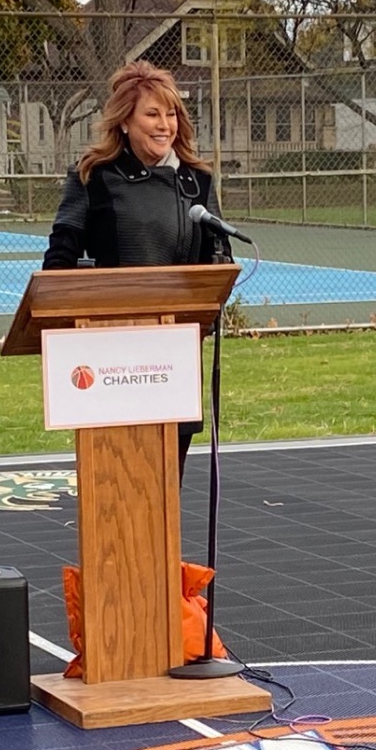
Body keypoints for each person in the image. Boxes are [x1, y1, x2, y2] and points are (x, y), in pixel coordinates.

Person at [43, 60, 230, 478]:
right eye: (152, 113)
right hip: (111, 363)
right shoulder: (94, 176)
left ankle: (163, 548)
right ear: (124, 121)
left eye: (171, 114)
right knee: (120, 479)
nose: (165, 125)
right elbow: (60, 257)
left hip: (175, 359)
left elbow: (218, 263)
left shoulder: (197, 181)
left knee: (165, 485)